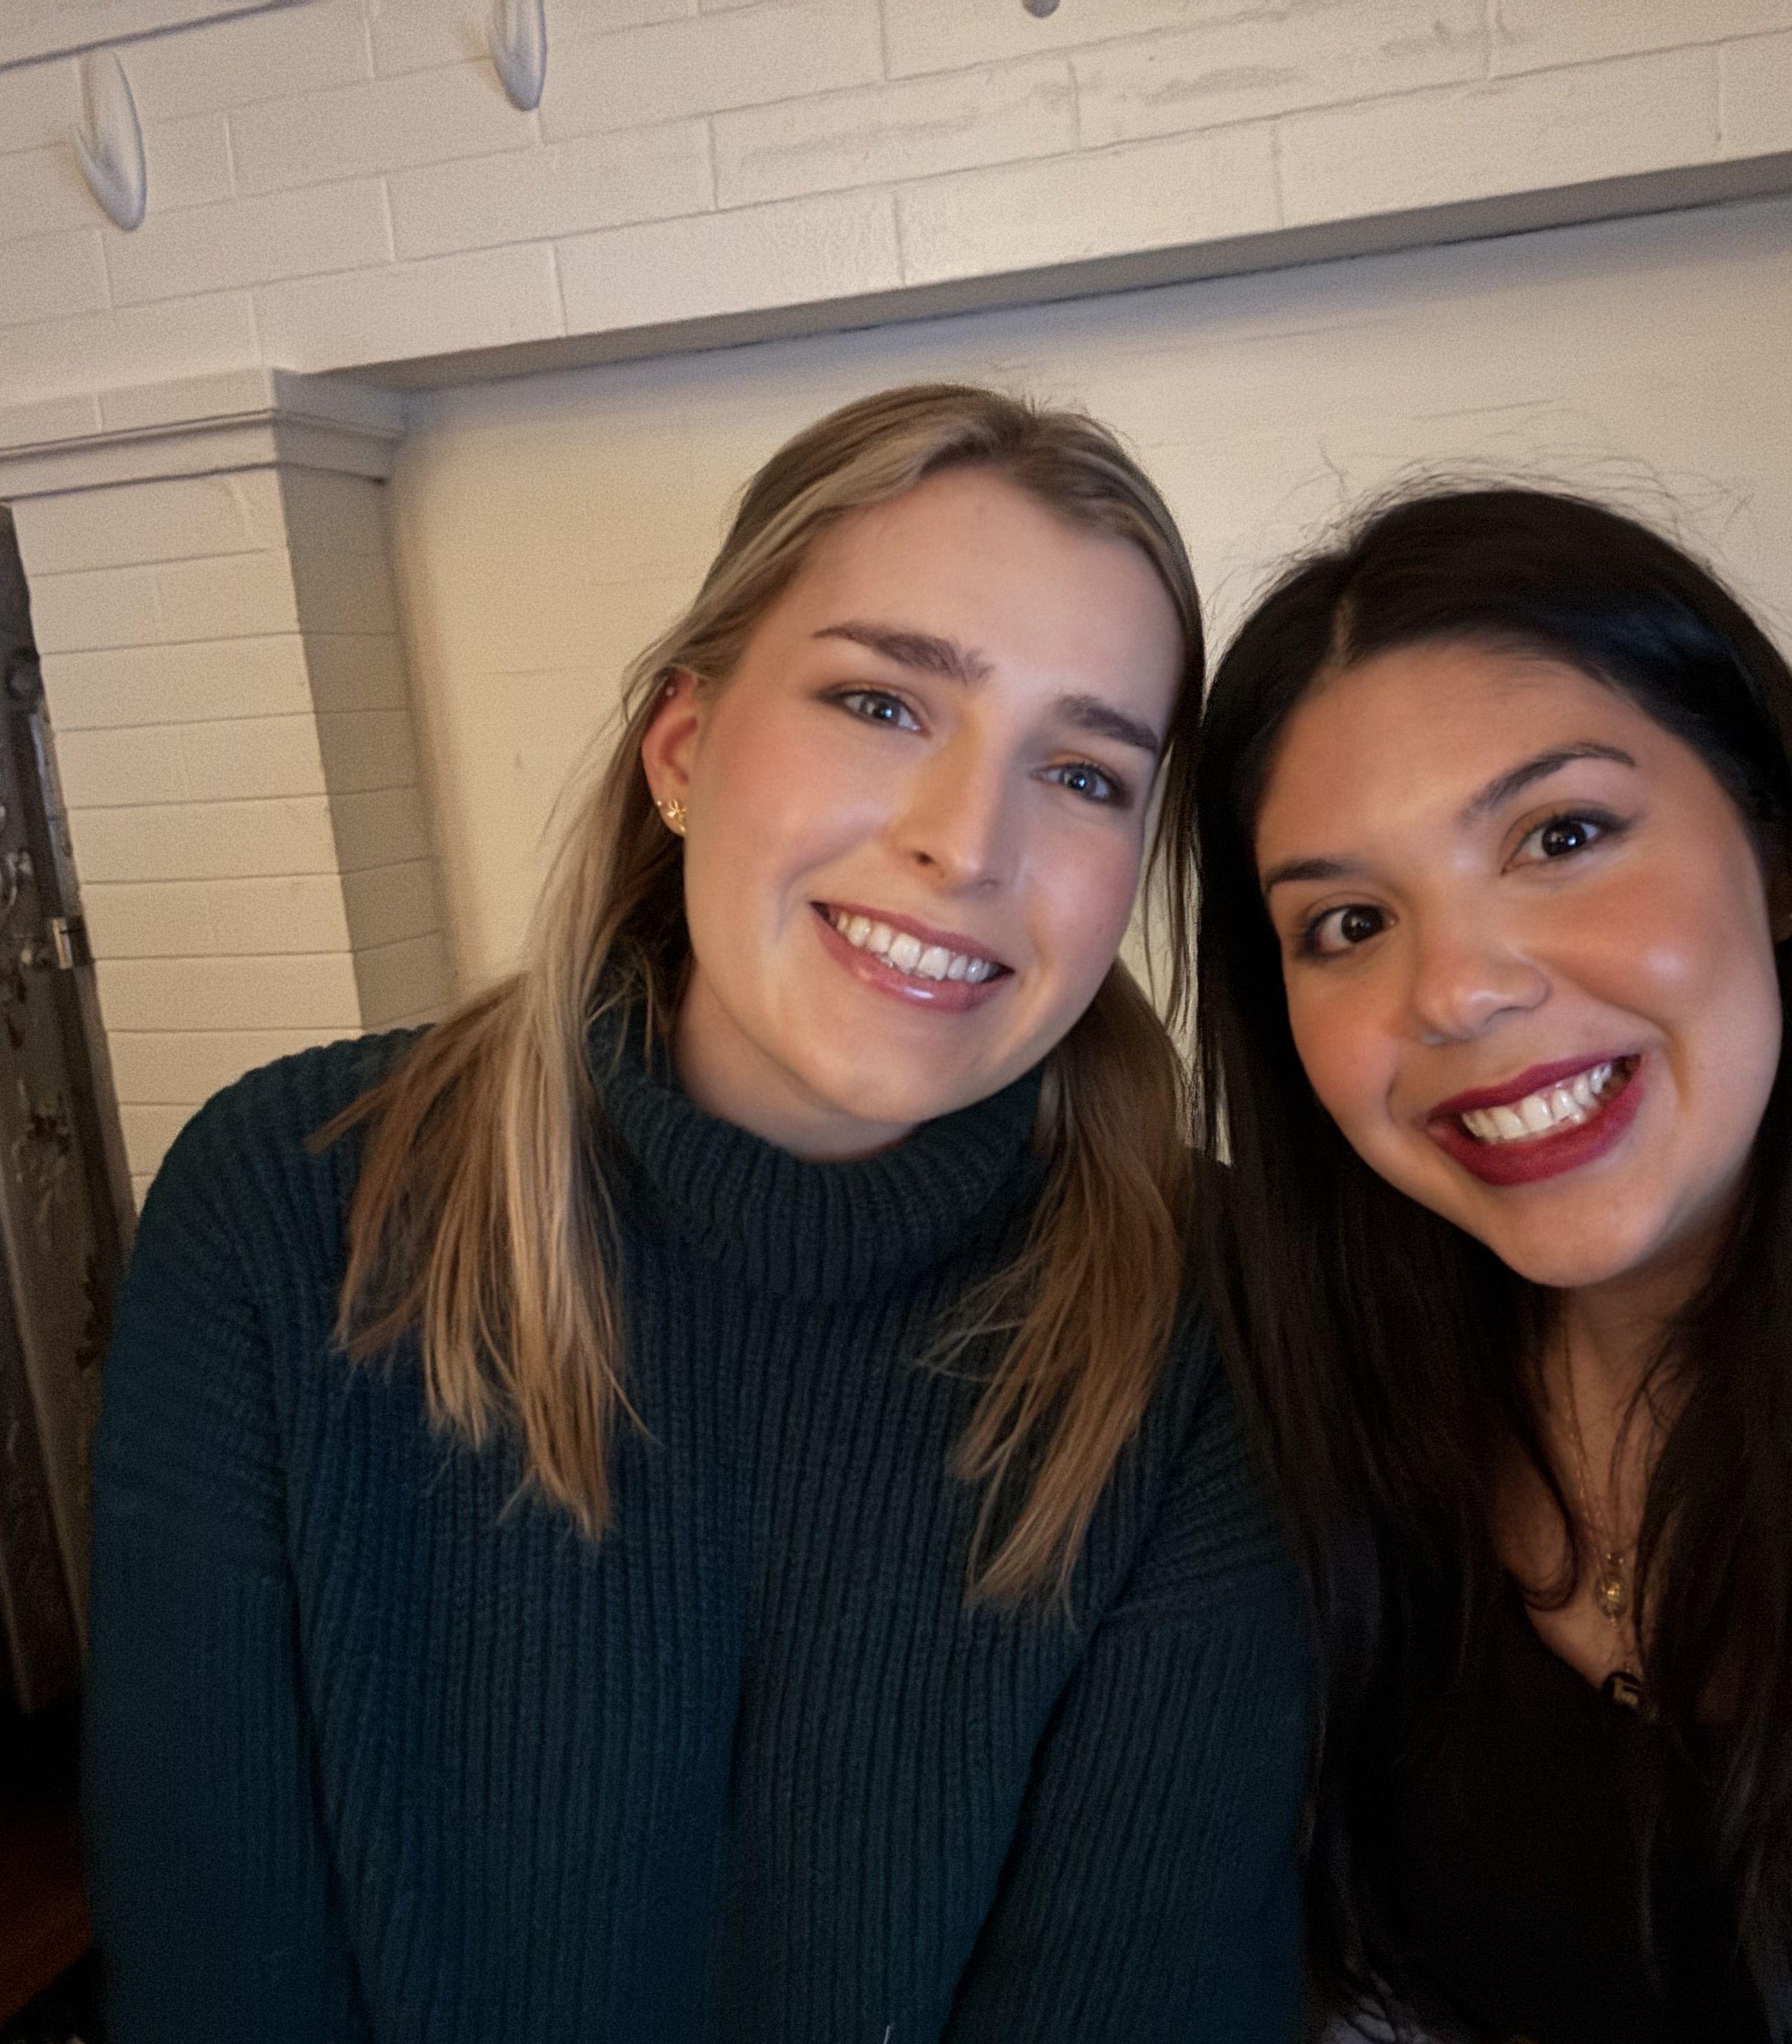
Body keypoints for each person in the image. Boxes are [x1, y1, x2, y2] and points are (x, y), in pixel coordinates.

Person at [86, 384, 1311, 2042]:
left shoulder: (1211, 1310)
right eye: (881, 703)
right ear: (683, 749)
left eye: (1085, 773)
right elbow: (215, 1961)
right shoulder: (287, 1202)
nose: (970, 844)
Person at [1191, 485, 1792, 2042]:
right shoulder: (1324, 1406)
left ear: (1777, 847)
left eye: (1562, 836)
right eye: (1350, 923)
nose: (1457, 992)